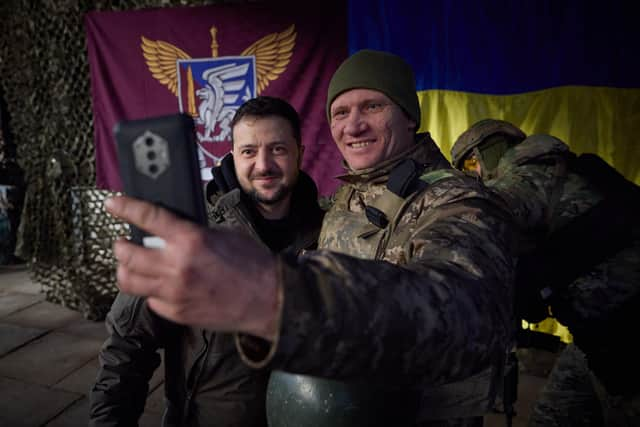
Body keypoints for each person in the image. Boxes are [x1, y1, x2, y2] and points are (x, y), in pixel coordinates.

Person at [105, 49, 517, 426]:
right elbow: (126, 346)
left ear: (410, 115)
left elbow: (470, 311)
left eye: (372, 106)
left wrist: (273, 295)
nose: (353, 124)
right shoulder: (207, 235)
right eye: (340, 112)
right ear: (231, 156)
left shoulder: (454, 199)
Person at [89, 96, 325, 427]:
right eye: (249, 151)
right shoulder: (190, 235)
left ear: (299, 152)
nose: (263, 164)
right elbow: (127, 346)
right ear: (233, 155)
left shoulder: (330, 231)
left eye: (278, 149)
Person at [450, 119, 640, 426]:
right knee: (550, 416)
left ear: (491, 152)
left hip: (626, 339)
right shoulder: (561, 169)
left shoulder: (531, 172)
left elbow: (483, 212)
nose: (474, 175)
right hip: (594, 338)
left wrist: (429, 207)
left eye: (472, 163)